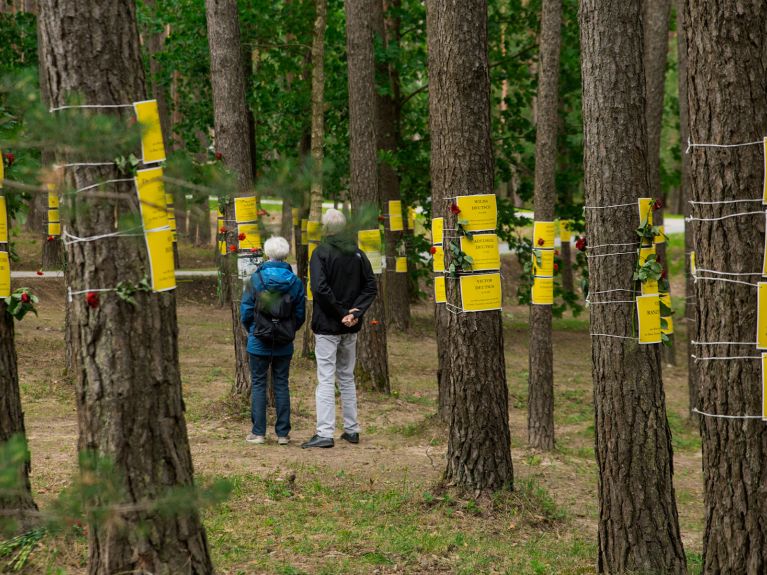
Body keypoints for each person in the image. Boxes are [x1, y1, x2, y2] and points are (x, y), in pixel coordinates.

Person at [301, 209, 378, 449]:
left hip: (329, 325)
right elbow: (370, 287)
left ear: (325, 229)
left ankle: (325, 433)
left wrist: (347, 313)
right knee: (346, 376)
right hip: (349, 326)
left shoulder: (321, 253)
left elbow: (320, 289)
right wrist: (354, 313)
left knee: (326, 378)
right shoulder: (357, 253)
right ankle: (351, 429)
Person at [240, 236, 305, 445]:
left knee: (259, 384)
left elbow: (246, 312)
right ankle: (283, 434)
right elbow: (300, 314)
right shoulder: (295, 282)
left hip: (258, 340)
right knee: (281, 384)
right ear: (285, 255)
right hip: (284, 342)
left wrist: (254, 329)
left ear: (267, 254)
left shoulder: (255, 280)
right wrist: (287, 330)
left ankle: (258, 433)